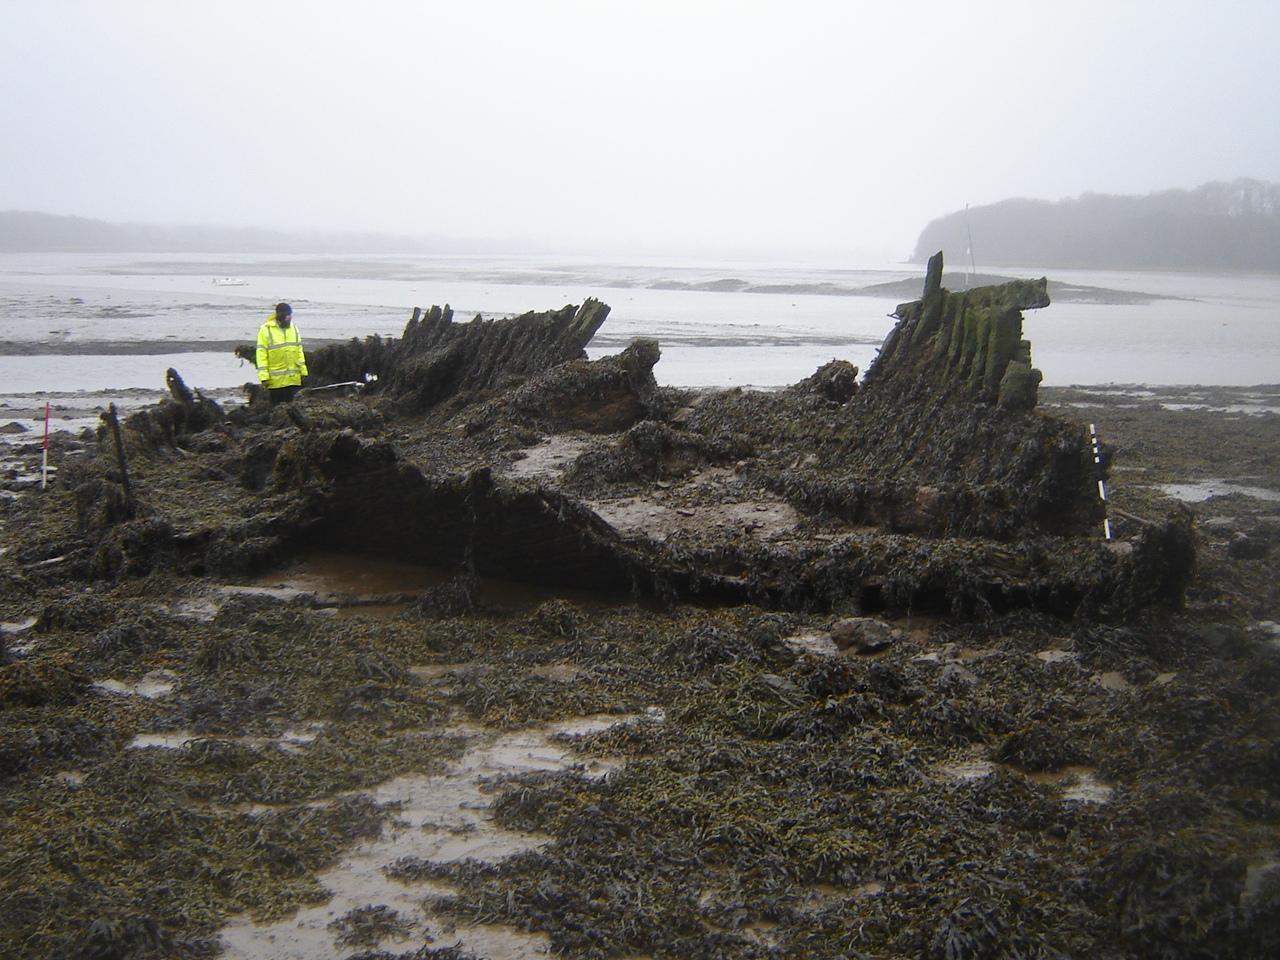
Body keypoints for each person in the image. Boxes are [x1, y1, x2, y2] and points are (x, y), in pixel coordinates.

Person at [255, 302, 307, 404]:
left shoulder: (294, 329)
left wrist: (303, 371)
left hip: (293, 380)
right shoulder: (266, 330)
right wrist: (263, 376)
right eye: (287, 315)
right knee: (277, 410)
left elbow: (299, 350)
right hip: (276, 382)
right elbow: (261, 354)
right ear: (280, 316)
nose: (289, 318)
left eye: (290, 315)